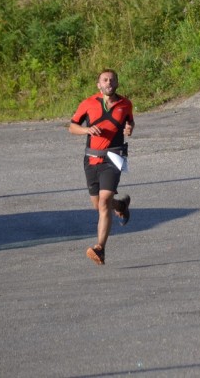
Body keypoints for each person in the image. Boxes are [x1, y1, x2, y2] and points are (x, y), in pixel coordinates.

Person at [70, 69, 134, 266]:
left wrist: (130, 128)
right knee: (99, 205)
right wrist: (86, 129)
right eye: (105, 80)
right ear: (98, 85)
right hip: (91, 159)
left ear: (117, 83)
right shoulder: (88, 103)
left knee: (105, 200)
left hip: (114, 157)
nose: (109, 82)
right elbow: (72, 126)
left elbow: (129, 120)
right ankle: (121, 206)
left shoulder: (125, 104)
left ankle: (100, 248)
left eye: (112, 79)